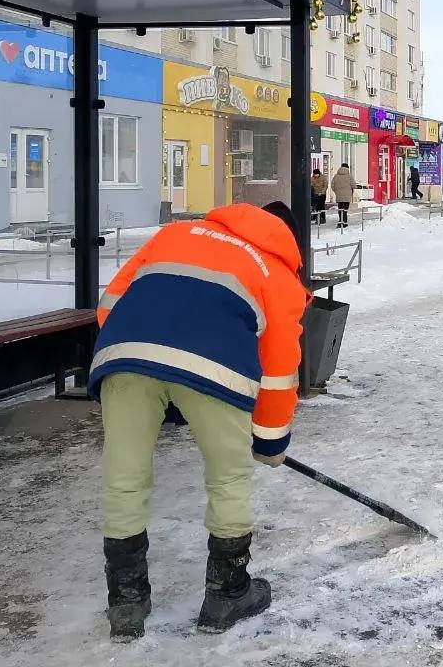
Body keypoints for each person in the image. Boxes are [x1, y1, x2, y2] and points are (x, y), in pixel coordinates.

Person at [90, 201, 309, 640]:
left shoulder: (176, 235)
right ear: (286, 237)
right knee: (229, 478)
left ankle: (126, 602)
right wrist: (268, 441)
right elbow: (280, 368)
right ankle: (227, 594)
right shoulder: (275, 271)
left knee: (124, 478)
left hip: (125, 356)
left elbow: (111, 303)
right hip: (217, 367)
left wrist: (163, 385)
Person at [330, 163, 355, 229]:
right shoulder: (349, 176)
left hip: (339, 196)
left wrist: (336, 191)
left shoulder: (336, 176)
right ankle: (344, 222)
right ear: (347, 168)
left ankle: (340, 221)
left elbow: (332, 185)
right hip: (347, 196)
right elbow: (354, 185)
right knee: (345, 209)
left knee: (340, 209)